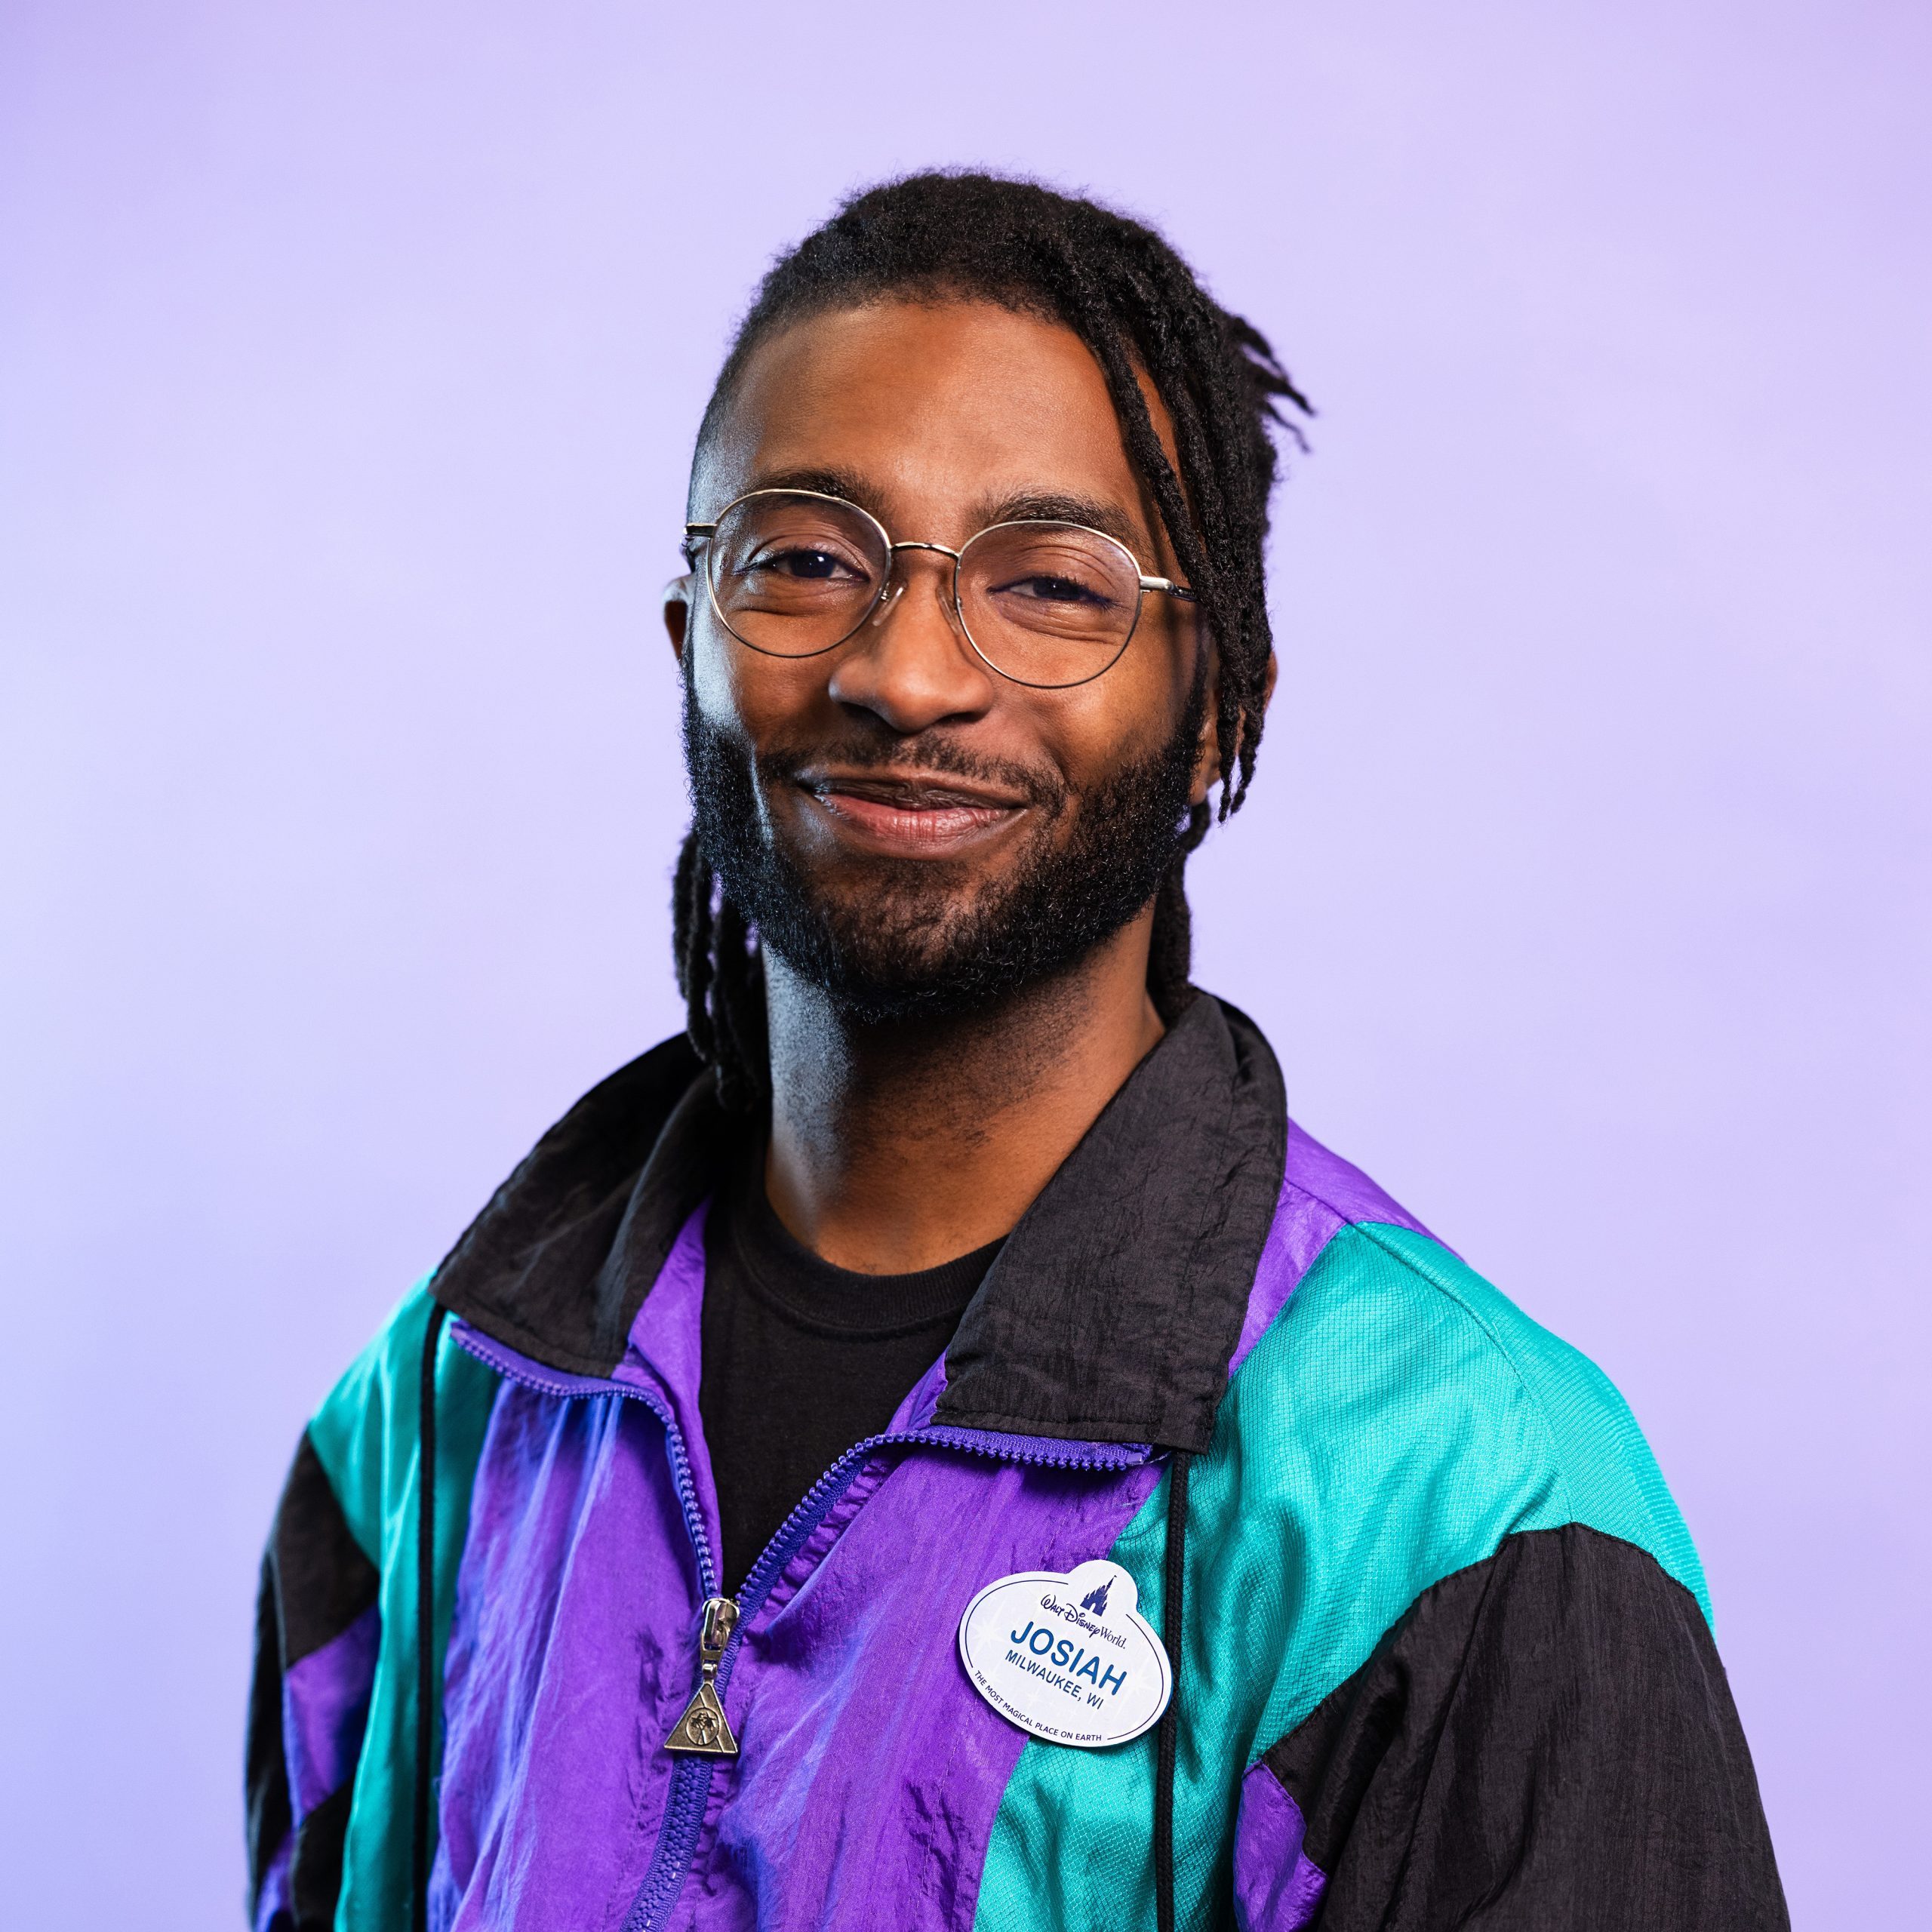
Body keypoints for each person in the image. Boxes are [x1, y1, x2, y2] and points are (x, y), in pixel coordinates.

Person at [245, 173, 1788, 1932]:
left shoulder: (1463, 1504)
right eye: (808, 558)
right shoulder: (440, 1411)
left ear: (1220, 700)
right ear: (689, 643)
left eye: (1050, 584)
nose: (905, 671)